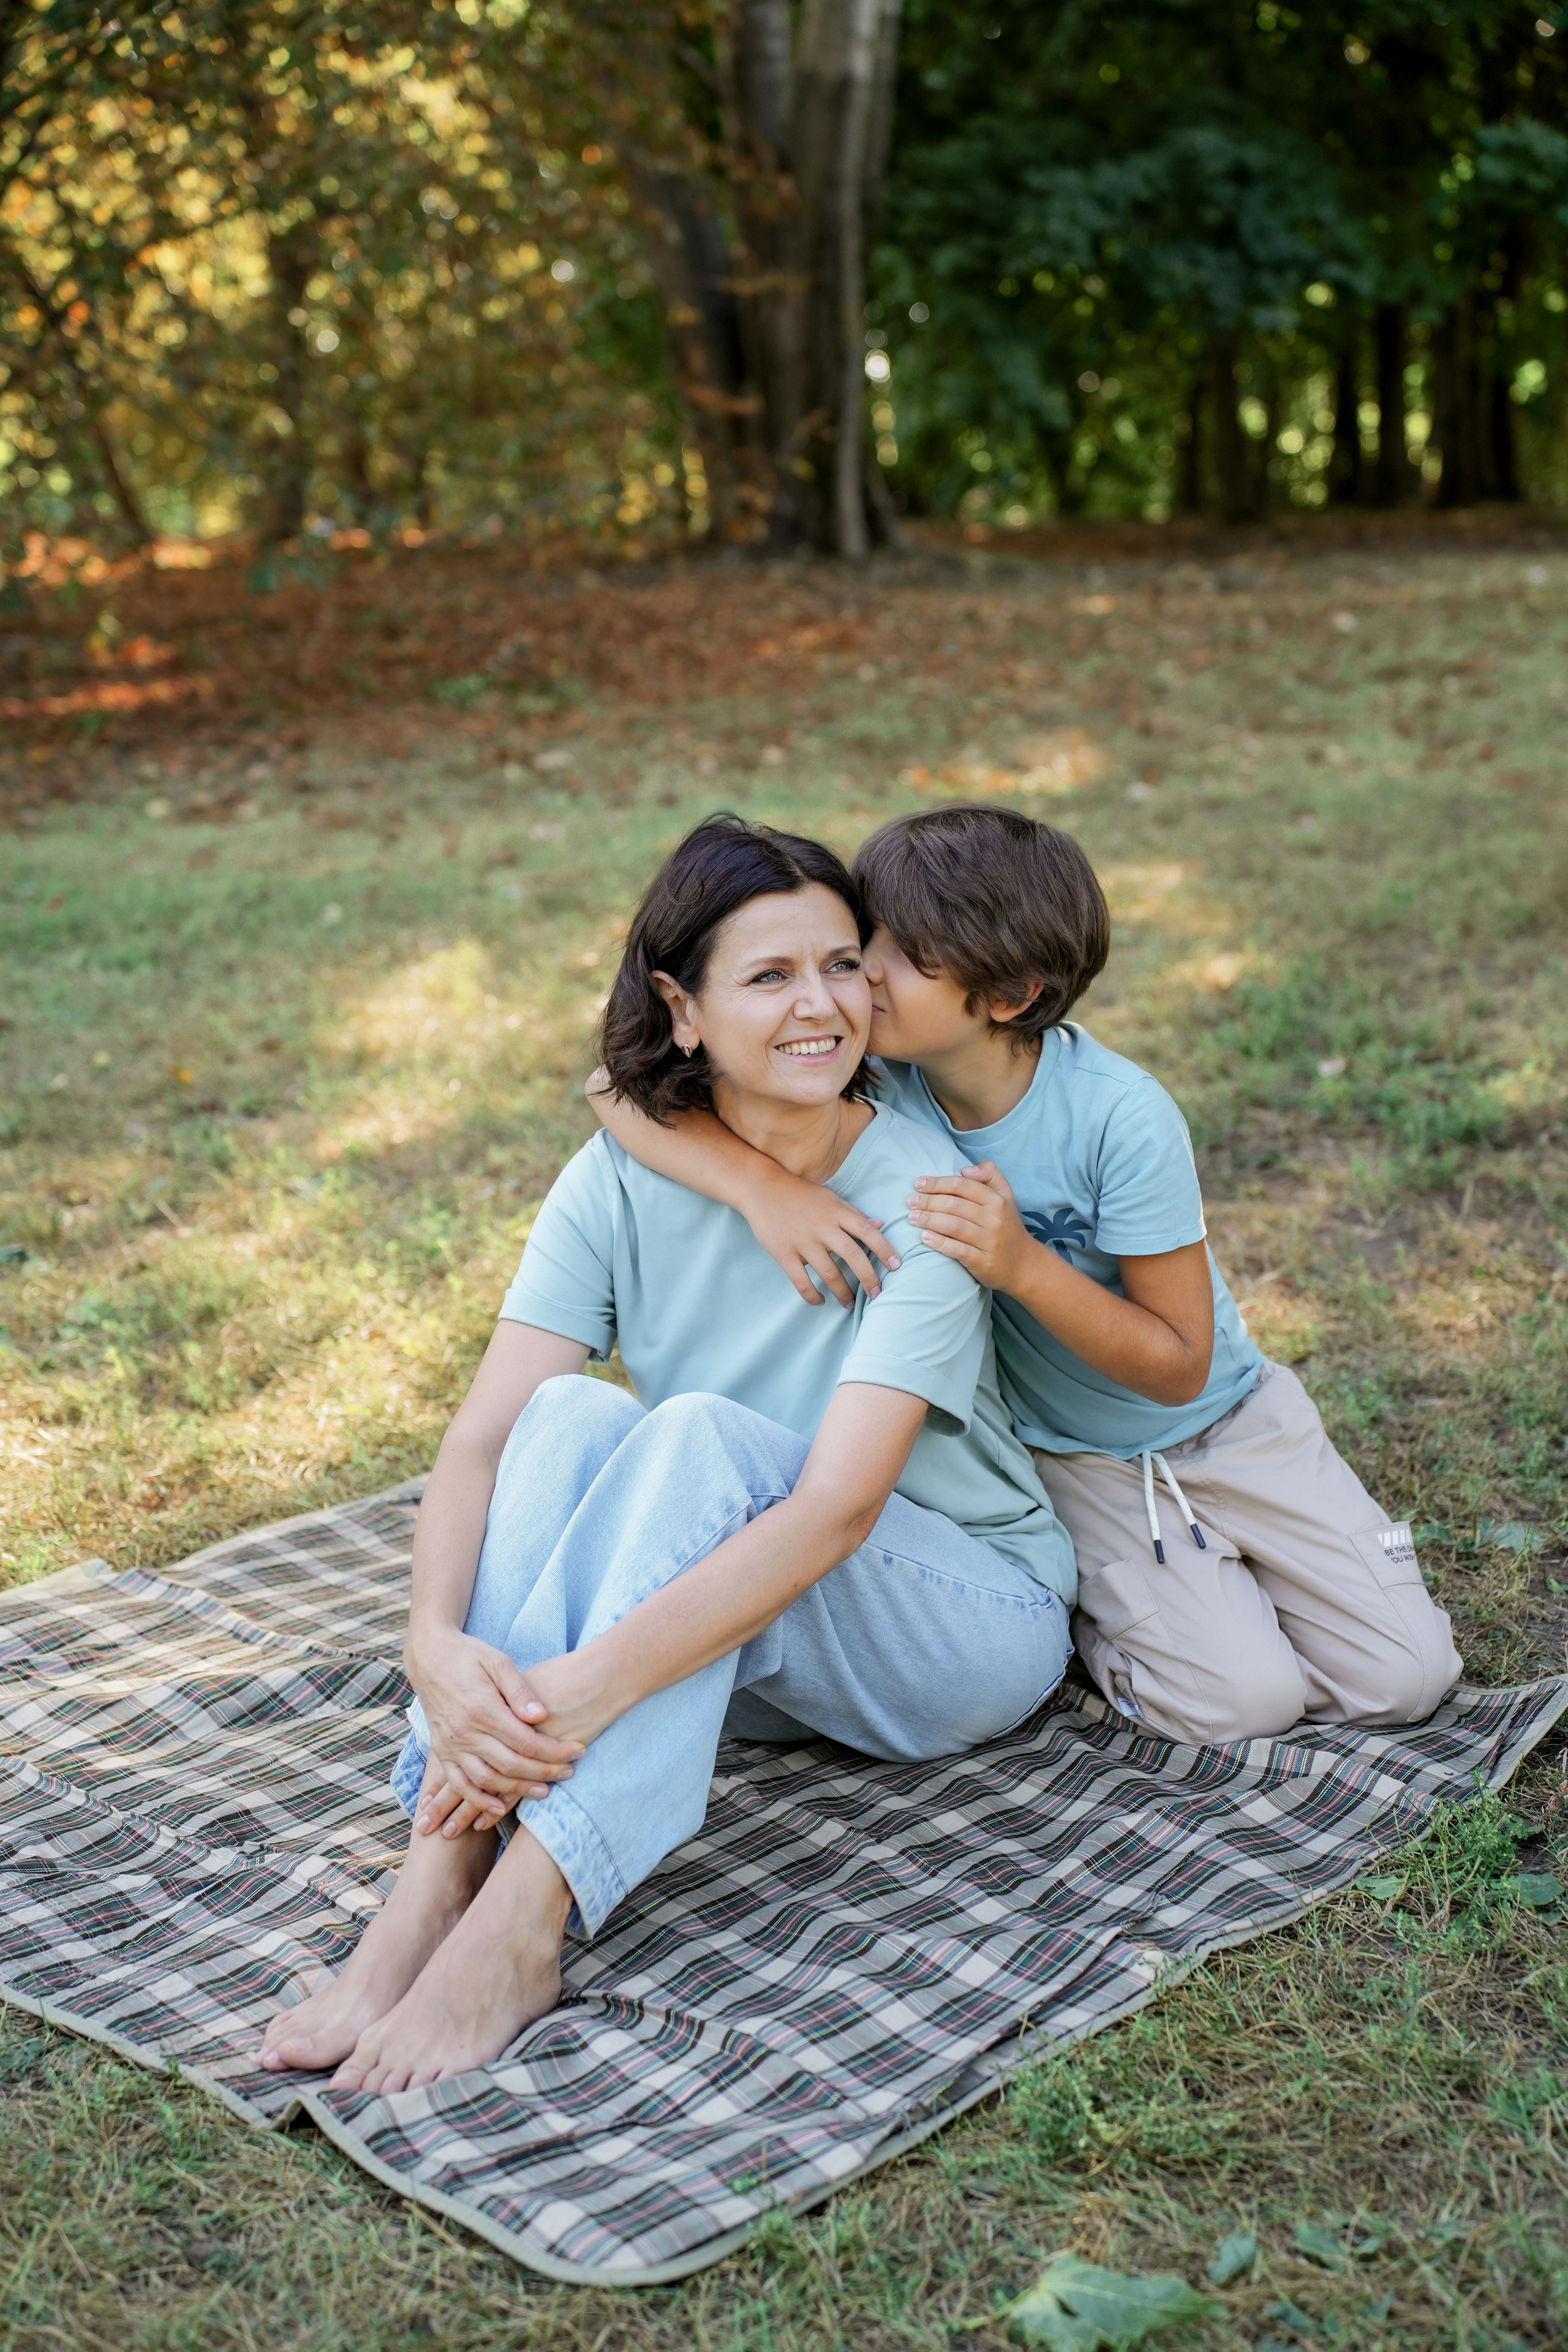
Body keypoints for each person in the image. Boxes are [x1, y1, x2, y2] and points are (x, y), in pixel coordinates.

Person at [259, 815, 1072, 2094]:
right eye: (767, 977)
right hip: (733, 1641)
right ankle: (429, 1888)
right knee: (571, 1418)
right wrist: (431, 1639)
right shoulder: (620, 1176)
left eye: (840, 964)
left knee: (691, 1431)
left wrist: (579, 1686)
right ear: (678, 1012)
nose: (822, 1006)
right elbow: (479, 1441)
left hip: (952, 1623)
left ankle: (521, 1925)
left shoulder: (924, 1202)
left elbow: (834, 1516)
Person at [590, 802, 1461, 1751]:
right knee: (1241, 1706)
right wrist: (765, 1192)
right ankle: (1145, 1618)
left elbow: (1177, 1365)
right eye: (868, 937)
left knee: (1407, 1679)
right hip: (1076, 1461)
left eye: (903, 957)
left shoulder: (1119, 1118)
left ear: (1007, 997)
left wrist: (1021, 1266)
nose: (859, 973)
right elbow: (612, 1088)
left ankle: (1222, 1586)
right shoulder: (874, 1078)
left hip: (1232, 1427)